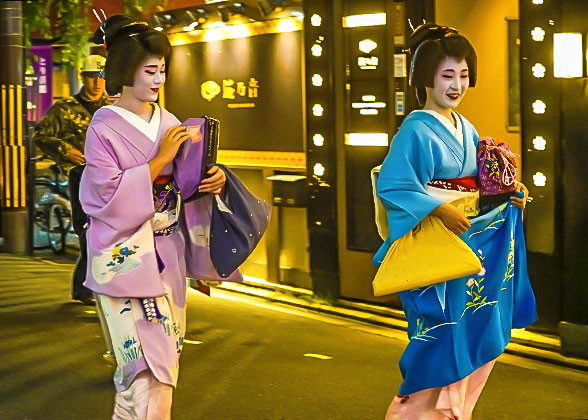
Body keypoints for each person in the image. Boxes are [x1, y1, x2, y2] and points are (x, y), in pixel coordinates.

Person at [374, 24, 537, 420]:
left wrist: (508, 192)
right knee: (439, 338)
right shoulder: (414, 129)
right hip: (434, 249)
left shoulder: (466, 127)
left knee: (472, 332)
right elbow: (394, 185)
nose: (457, 85)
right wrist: (436, 208)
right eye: (447, 75)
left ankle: (454, 414)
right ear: (425, 77)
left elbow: (481, 185)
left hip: (468, 245)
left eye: (463, 75)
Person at [80, 15, 227, 419]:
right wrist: (160, 159)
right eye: (150, 70)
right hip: (123, 257)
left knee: (152, 367)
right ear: (125, 72)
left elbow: (184, 185)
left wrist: (210, 180)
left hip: (167, 255)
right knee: (146, 370)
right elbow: (101, 196)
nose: (159, 79)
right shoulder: (102, 127)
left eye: (162, 70)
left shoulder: (171, 123)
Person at [33, 54, 110, 305]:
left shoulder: (113, 109)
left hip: (111, 177)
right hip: (81, 176)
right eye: (91, 77)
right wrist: (66, 152)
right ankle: (85, 286)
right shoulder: (65, 109)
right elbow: (41, 135)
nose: (97, 83)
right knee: (87, 229)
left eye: (101, 78)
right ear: (82, 78)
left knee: (109, 232)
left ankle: (95, 286)